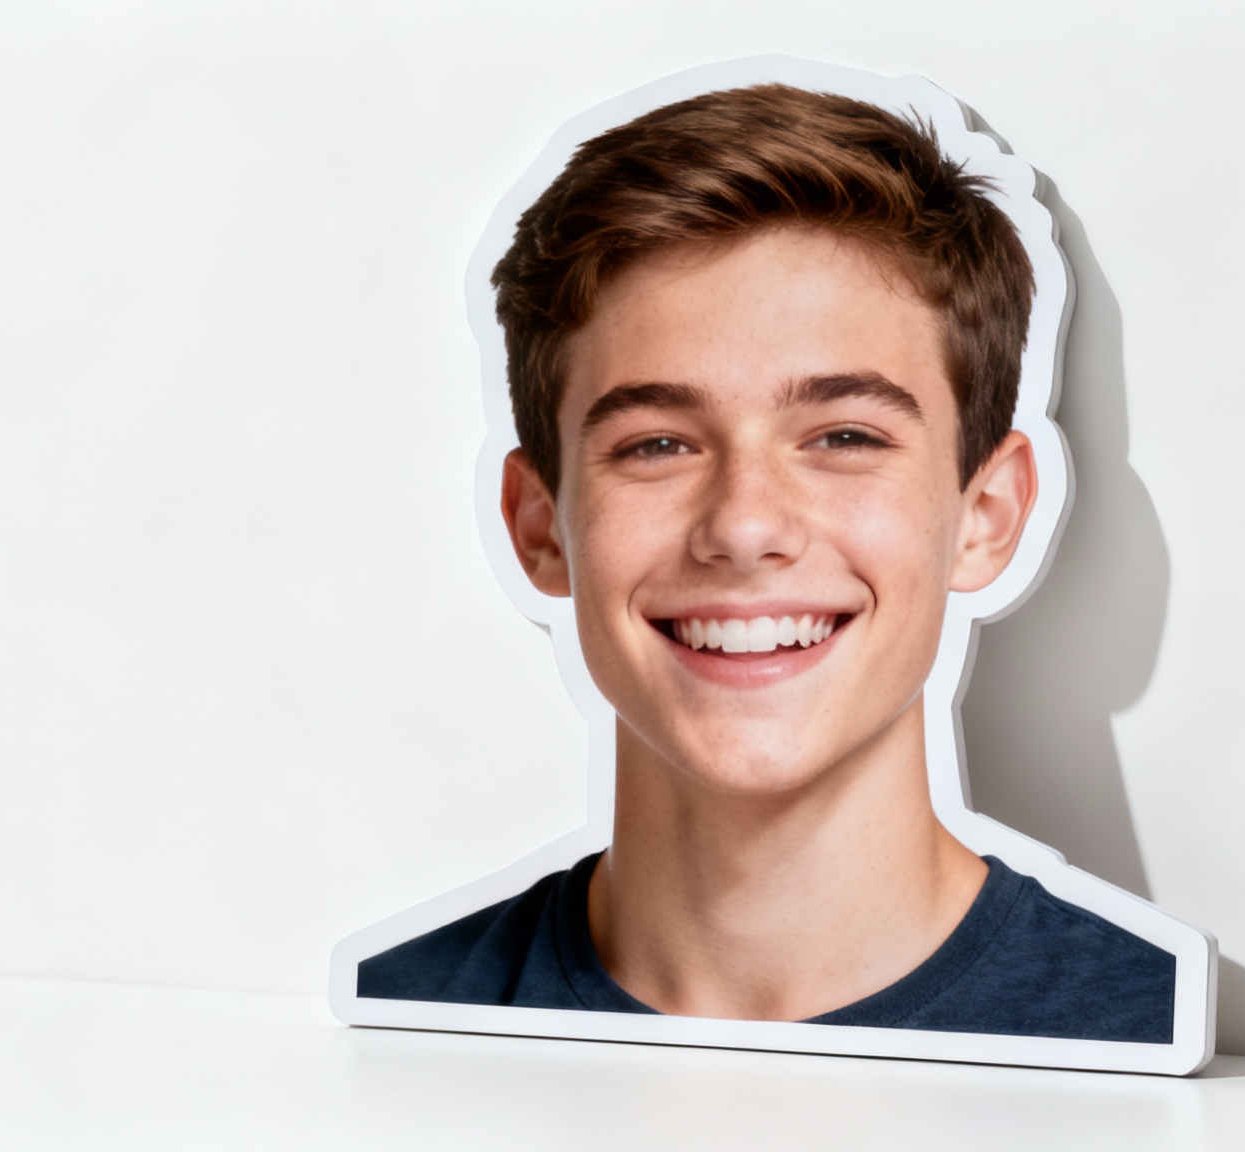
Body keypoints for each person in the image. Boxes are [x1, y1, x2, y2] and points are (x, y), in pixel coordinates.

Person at [357, 84, 1174, 1042]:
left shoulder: (1156, 1050)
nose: (744, 527)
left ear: (985, 516)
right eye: (657, 444)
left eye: (843, 436)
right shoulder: (396, 1036)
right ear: (539, 525)